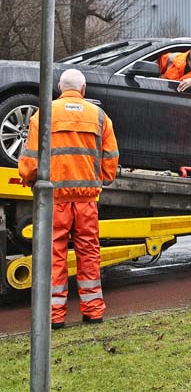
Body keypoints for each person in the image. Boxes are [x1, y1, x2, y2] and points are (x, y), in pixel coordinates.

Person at [18, 69, 119, 330]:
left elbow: (29, 159)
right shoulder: (99, 116)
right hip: (86, 201)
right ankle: (93, 310)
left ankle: (54, 315)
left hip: (54, 200)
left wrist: (29, 178)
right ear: (84, 90)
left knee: (53, 257)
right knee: (89, 254)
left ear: (60, 89)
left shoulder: (45, 114)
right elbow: (110, 160)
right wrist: (101, 178)